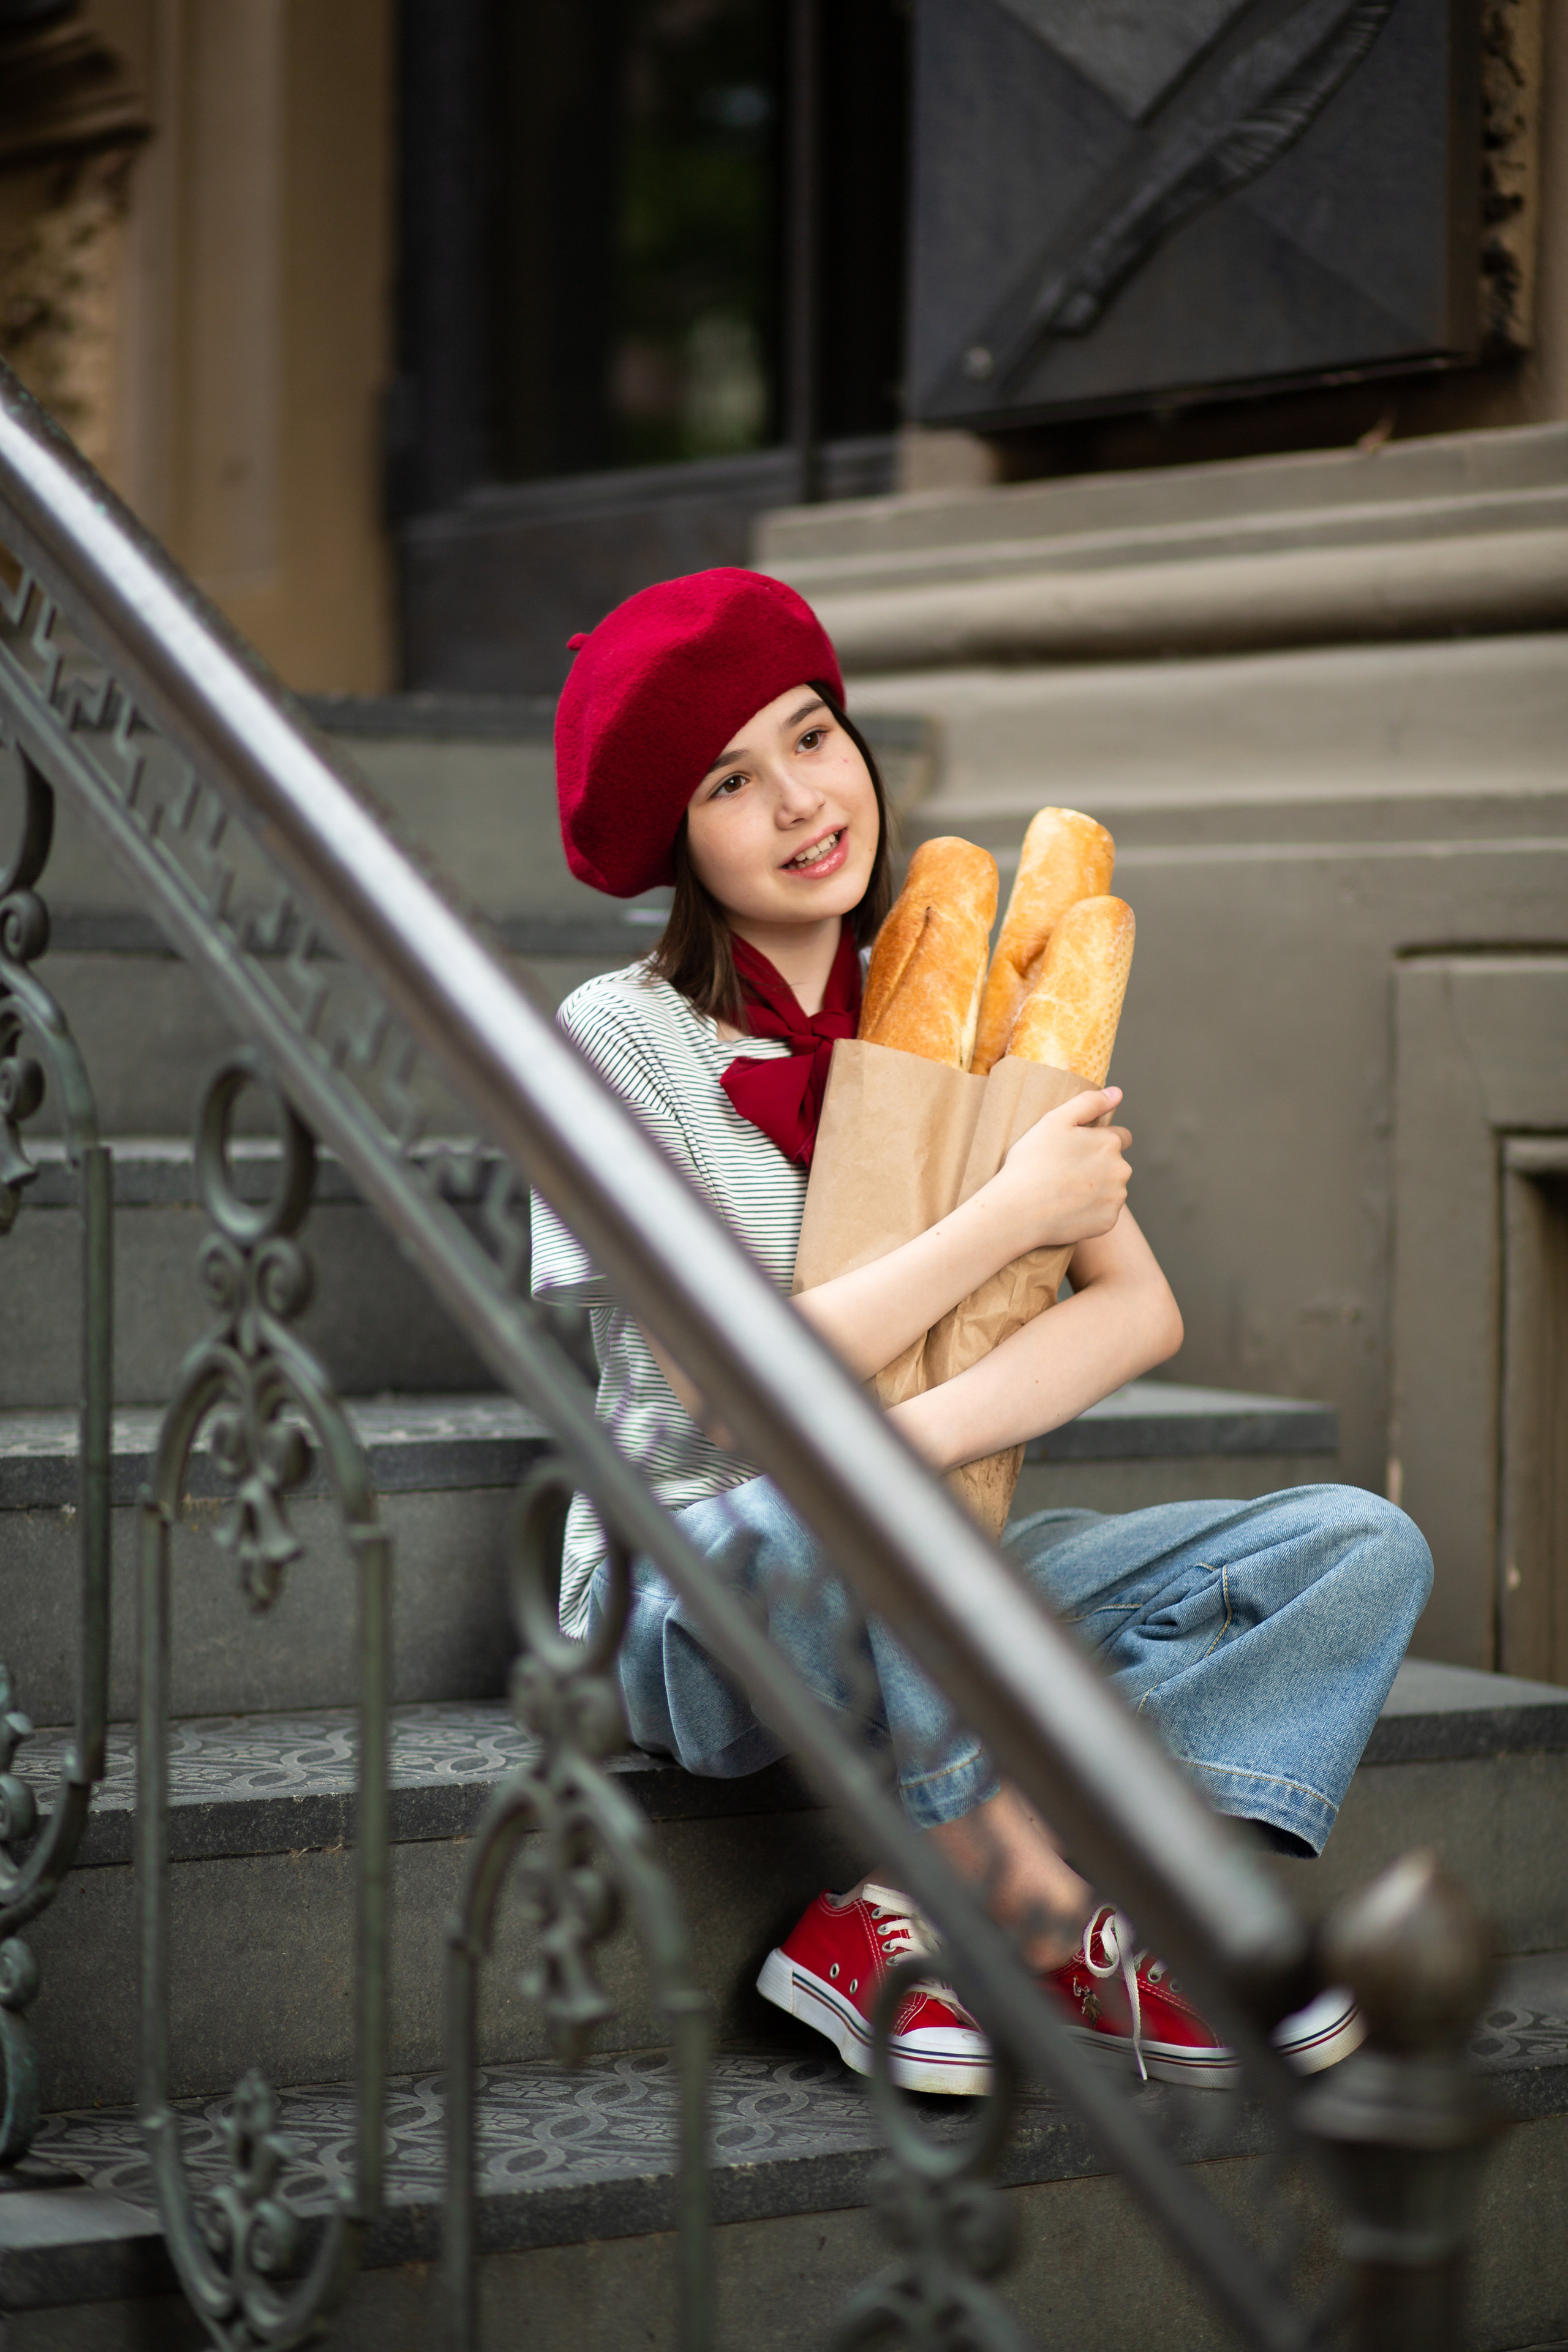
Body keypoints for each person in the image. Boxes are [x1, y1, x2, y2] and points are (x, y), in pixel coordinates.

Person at [530, 567, 1433, 2097]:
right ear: (678, 840)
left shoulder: (963, 1011)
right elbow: (729, 1395)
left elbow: (1138, 1311)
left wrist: (912, 1440)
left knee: (1354, 1548)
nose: (802, 801)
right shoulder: (619, 1041)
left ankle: (892, 1918)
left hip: (925, 1552)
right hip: (701, 1582)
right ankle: (1045, 1910)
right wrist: (1005, 1217)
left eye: (812, 738)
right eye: (731, 781)